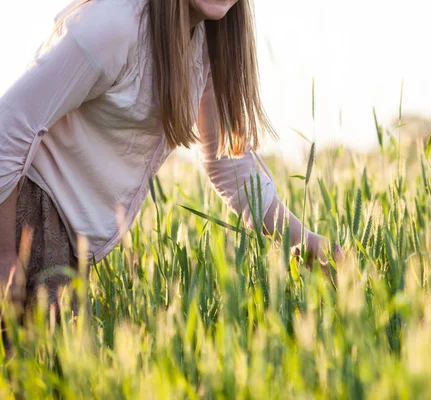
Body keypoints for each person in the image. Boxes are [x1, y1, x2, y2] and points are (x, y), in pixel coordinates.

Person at [0, 0, 342, 317]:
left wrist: (304, 239)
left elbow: (229, 163)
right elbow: (8, 125)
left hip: (65, 240)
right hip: (23, 218)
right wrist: (4, 254)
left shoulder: (206, 40)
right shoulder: (115, 24)